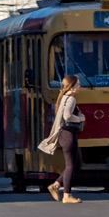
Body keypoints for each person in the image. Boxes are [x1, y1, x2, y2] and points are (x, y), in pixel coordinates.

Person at [39, 75, 86, 204]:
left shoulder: (64, 97)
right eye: (78, 85)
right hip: (67, 134)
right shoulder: (70, 99)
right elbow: (67, 116)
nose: (80, 87)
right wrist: (80, 118)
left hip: (66, 134)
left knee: (77, 164)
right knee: (71, 165)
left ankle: (56, 185)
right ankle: (67, 195)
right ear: (71, 87)